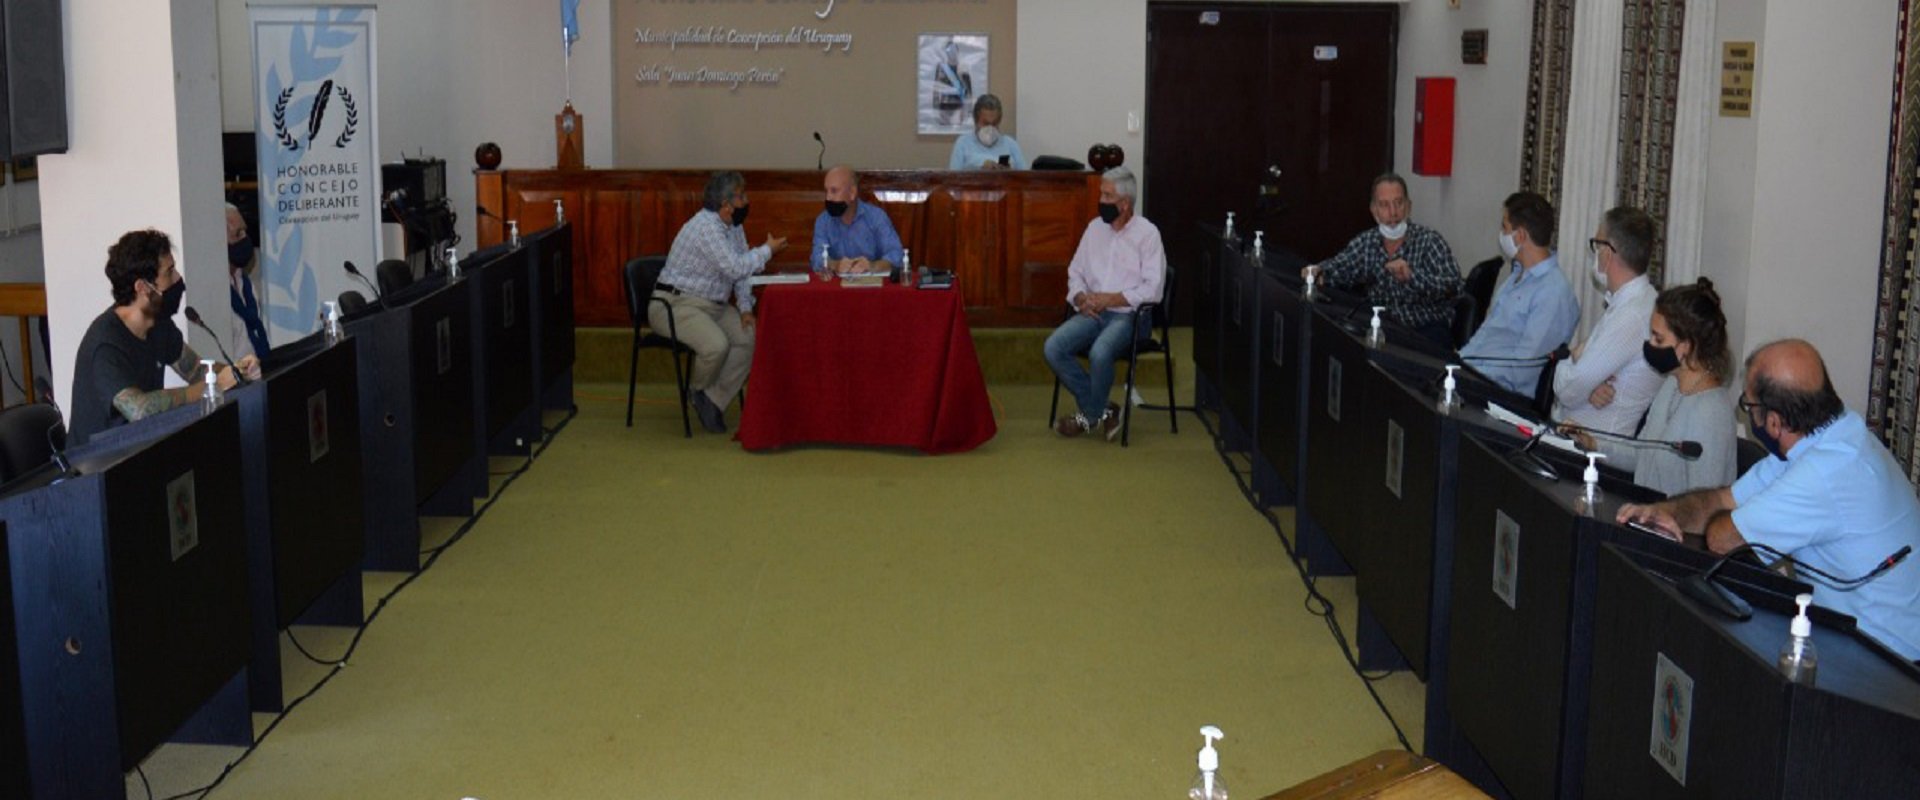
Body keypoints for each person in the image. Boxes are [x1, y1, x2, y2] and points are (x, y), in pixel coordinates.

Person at [1617, 340, 1920, 662]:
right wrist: (1664, 512)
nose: (1747, 414)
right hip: (1855, 642)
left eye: (1748, 406)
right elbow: (1726, 499)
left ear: (1774, 422)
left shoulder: (1824, 472)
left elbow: (1723, 538)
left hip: (1889, 662)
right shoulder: (1826, 436)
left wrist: (1723, 520)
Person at [67, 229, 260, 446]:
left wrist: (237, 372)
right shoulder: (106, 343)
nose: (178, 279)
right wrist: (209, 388)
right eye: (169, 272)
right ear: (142, 287)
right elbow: (139, 409)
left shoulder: (157, 323)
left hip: (138, 445)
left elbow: (196, 370)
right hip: (97, 457)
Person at [1563, 279, 1735, 495]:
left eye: (1658, 339)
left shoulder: (1712, 412)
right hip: (1644, 508)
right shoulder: (1671, 385)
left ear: (1686, 347)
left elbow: (1705, 504)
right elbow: (1642, 455)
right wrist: (1593, 443)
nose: (1650, 344)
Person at [651, 171, 786, 434]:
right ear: (726, 204)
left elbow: (742, 272)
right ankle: (697, 390)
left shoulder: (733, 227)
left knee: (749, 337)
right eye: (741, 197)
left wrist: (745, 308)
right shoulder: (706, 227)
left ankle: (712, 400)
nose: (746, 202)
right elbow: (736, 267)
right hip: (675, 304)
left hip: (713, 306)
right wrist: (767, 250)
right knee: (716, 345)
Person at [1045, 167, 1165, 440]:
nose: (1101, 200)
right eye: (1101, 193)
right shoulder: (1094, 229)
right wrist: (1080, 297)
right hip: (1092, 312)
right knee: (1053, 347)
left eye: (1107, 195)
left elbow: (1153, 289)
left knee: (1100, 353)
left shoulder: (1148, 234)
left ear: (1125, 204)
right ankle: (1104, 409)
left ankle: (1088, 416)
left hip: (1130, 316)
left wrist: (1111, 298)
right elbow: (1075, 272)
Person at [1302, 174, 1462, 349]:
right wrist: (1318, 271)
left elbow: (1454, 286)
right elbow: (1340, 267)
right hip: (1383, 329)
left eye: (1398, 203)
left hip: (1425, 330)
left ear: (1408, 206)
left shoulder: (1429, 241)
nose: (1393, 212)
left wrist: (1412, 277)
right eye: (1384, 205)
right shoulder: (1367, 242)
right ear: (1374, 210)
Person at [1551, 207, 1661, 434]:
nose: (1596, 253)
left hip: (1589, 446)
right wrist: (1587, 384)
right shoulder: (1637, 301)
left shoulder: (1631, 315)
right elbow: (1580, 384)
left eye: (1597, 245)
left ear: (1608, 252)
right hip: (1574, 434)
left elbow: (1567, 391)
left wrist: (1572, 359)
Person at [1458, 191, 1581, 395]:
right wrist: (1457, 364)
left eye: (1504, 227)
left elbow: (1523, 370)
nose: (1501, 233)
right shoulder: (1517, 275)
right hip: (1474, 377)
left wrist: (1471, 377)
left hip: (1500, 394)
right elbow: (1487, 336)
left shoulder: (1554, 294)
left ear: (1520, 235)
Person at [811, 165, 904, 275]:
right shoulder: (823, 221)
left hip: (871, 283)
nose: (828, 198)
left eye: (834, 191)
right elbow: (816, 258)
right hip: (837, 284)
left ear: (852, 192)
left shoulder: (876, 217)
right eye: (826, 191)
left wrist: (872, 266)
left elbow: (896, 255)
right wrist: (835, 265)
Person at [226, 203, 270, 359]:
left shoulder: (246, 284)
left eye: (245, 231)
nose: (245, 238)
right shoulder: (218, 293)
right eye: (238, 234)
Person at [948, 94, 1026, 171]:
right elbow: (953, 177)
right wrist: (980, 170)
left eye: (994, 123)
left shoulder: (1011, 145)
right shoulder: (963, 144)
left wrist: (1010, 173)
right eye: (985, 123)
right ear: (976, 121)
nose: (990, 128)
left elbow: (1026, 176)